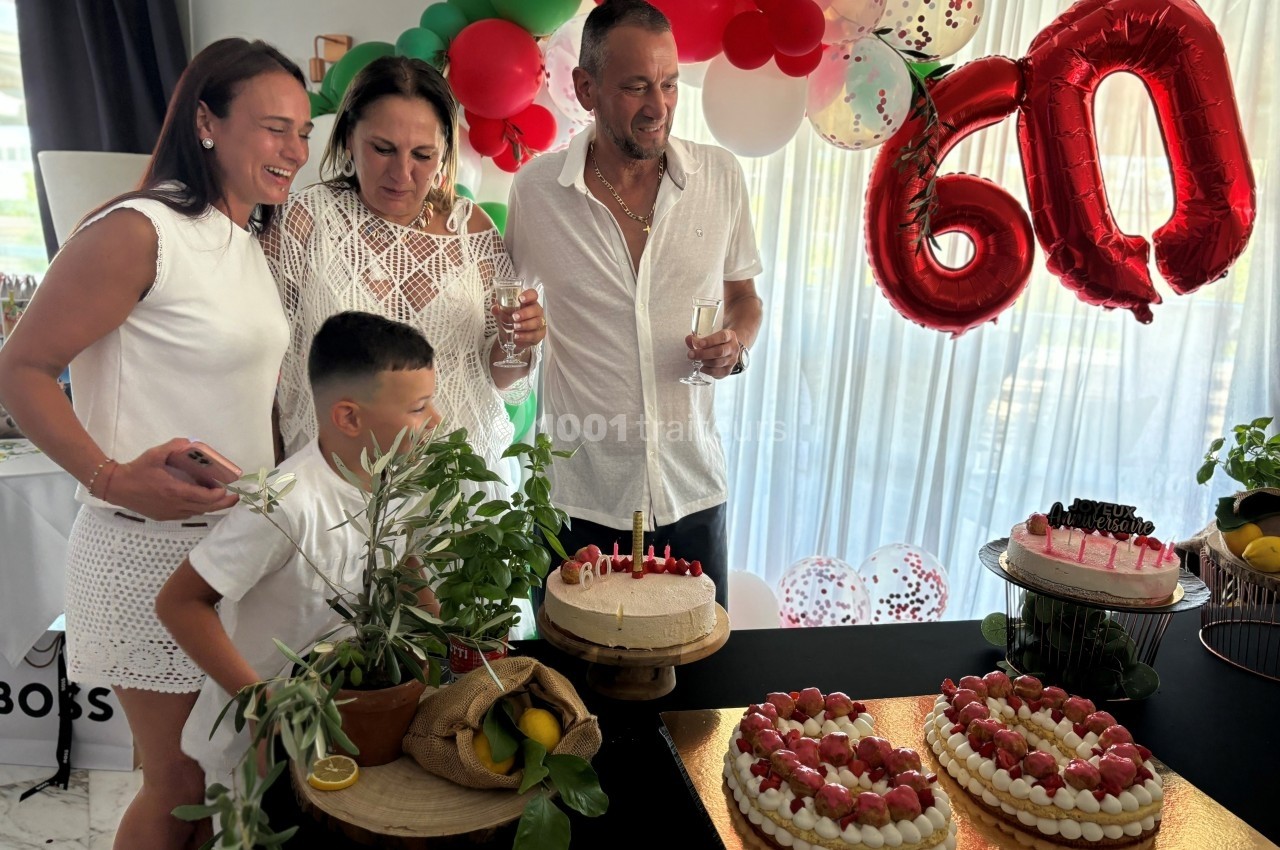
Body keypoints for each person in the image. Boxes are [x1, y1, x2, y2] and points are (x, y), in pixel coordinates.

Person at [0, 39, 310, 849]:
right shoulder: (141, 230)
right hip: (148, 557)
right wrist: (106, 475)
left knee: (225, 780)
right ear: (206, 121)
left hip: (233, 553)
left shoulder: (246, 241)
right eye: (275, 128)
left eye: (303, 132)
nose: (295, 150)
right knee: (180, 783)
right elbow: (22, 368)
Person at [505, 0, 763, 610]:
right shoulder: (537, 192)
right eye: (636, 87)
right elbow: (504, 314)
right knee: (572, 698)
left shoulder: (720, 177)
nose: (659, 106)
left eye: (670, 83)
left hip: (691, 488)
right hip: (579, 498)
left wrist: (737, 345)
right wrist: (517, 332)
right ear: (585, 87)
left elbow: (745, 299)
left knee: (697, 688)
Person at [156, 311, 441, 794]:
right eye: (419, 408)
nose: (436, 420)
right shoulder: (283, 503)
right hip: (257, 742)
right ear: (349, 416)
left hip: (337, 720)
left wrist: (441, 636)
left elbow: (402, 561)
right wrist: (260, 703)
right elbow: (179, 602)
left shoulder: (398, 479)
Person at [265, 55, 546, 494]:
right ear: (348, 138)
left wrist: (518, 340)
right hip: (339, 490)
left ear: (445, 153)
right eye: (382, 149)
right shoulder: (305, 221)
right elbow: (262, 368)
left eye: (422, 154)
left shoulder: (472, 231)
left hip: (456, 490)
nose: (401, 173)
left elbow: (502, 375)